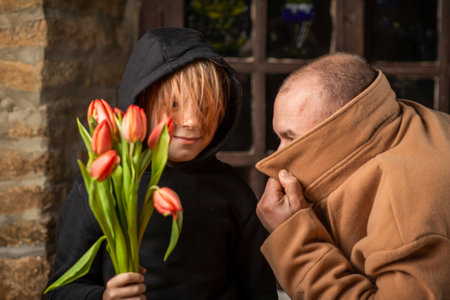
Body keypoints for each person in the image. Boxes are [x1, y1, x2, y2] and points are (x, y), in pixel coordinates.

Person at [46, 27, 277, 299]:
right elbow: (60, 291)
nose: (192, 121)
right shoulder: (104, 186)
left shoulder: (233, 191)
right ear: (141, 101)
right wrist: (103, 297)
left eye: (204, 106)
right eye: (175, 104)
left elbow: (259, 292)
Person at [256, 52, 450, 299]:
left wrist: (293, 237)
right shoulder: (407, 123)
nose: (279, 158)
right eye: (279, 138)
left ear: (343, 127)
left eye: (292, 138)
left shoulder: (404, 203)